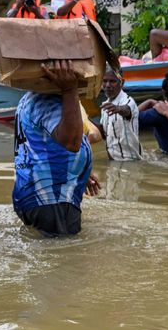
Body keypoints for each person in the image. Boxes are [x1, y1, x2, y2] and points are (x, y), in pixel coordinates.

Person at [12, 60, 102, 236]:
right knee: (67, 261)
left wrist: (77, 173)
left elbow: (41, 147)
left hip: (40, 197)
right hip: (50, 199)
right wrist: (70, 89)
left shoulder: (31, 98)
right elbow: (72, 142)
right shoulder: (46, 99)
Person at [99, 66, 142, 161]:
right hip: (113, 162)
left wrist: (117, 109)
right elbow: (102, 133)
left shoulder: (129, 101)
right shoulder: (105, 106)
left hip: (131, 162)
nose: (107, 85)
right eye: (104, 81)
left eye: (112, 81)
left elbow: (126, 110)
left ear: (122, 82)